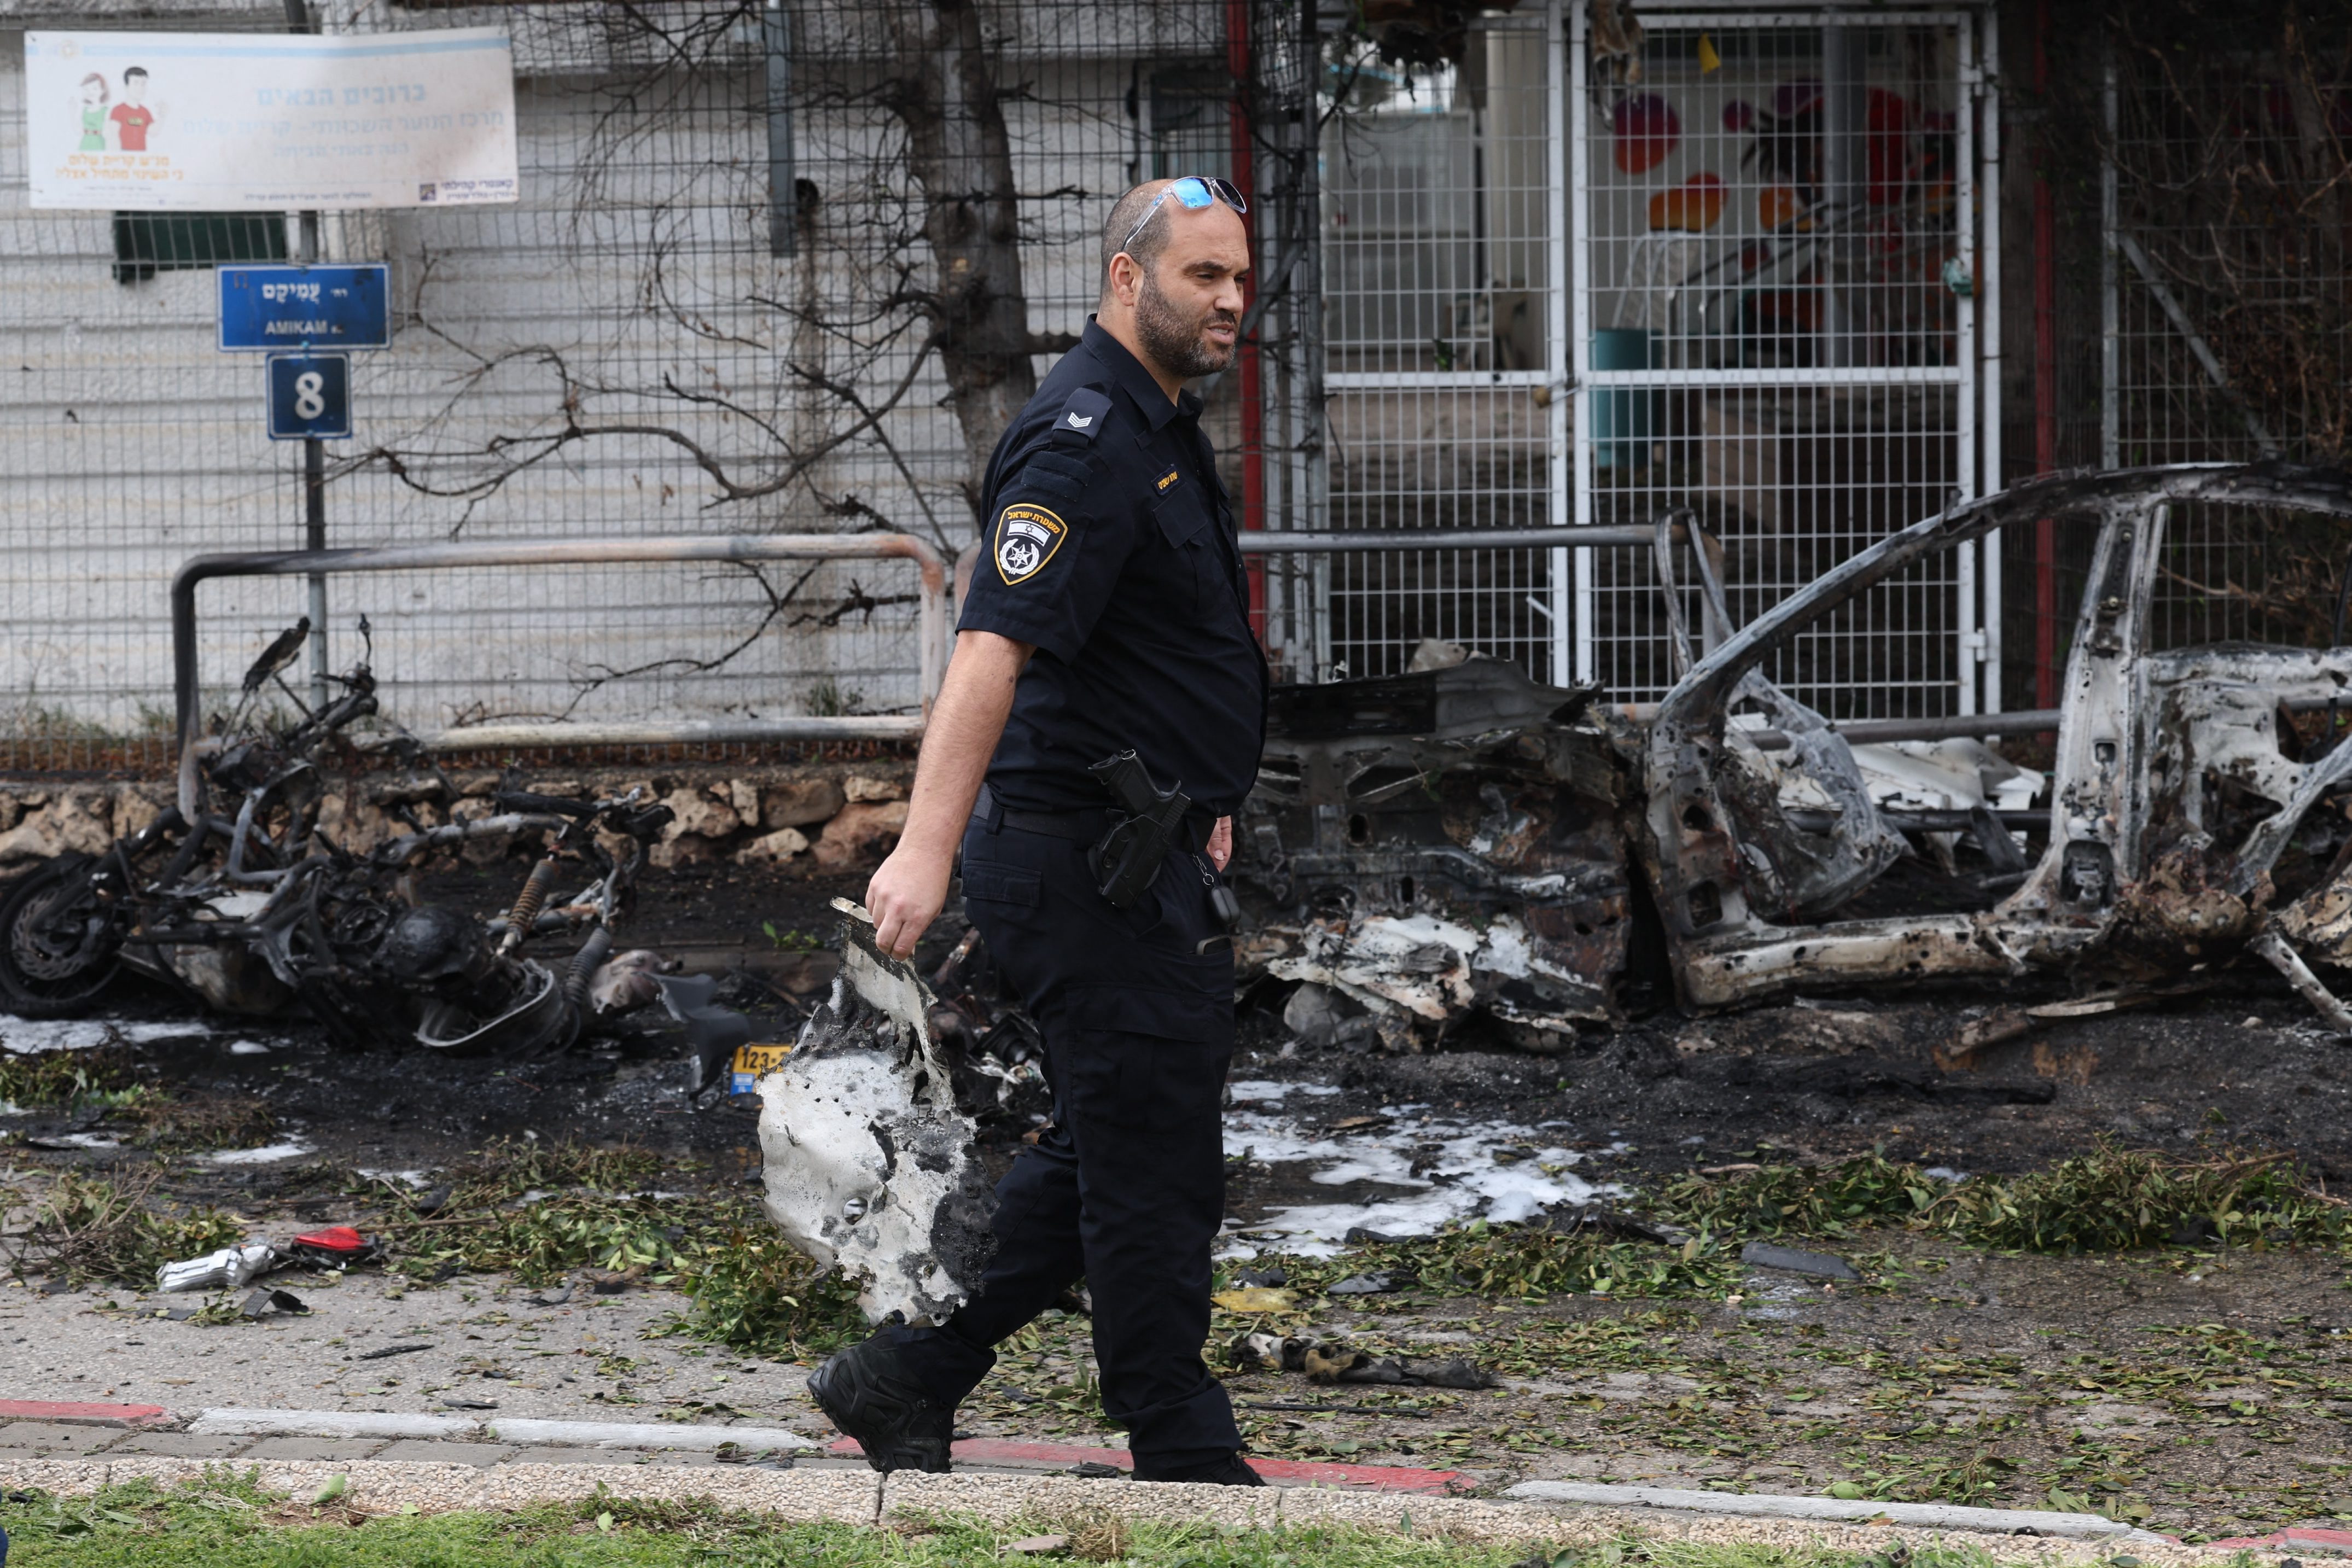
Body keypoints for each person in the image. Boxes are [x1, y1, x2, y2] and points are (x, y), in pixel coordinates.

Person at [808, 176, 1268, 1487]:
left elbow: (1141, 658)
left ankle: (903, 1374)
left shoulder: (1155, 426)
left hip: (1139, 845)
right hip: (1080, 858)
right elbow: (989, 651)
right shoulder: (1082, 441)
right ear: (1128, 278)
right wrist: (923, 846)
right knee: (1152, 1157)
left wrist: (1202, 804)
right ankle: (1179, 1443)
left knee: (1109, 1140)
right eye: (1203, 275)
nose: (1231, 300)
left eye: (1240, 276)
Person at [110, 68, 156, 153]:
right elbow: (113, 135)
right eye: (136, 83)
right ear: (126, 86)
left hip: (142, 155)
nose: (140, 88)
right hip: (124, 153)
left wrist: (162, 116)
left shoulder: (145, 112)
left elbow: (153, 132)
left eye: (143, 84)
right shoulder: (118, 110)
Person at [75, 73, 107, 153]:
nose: (90, 92)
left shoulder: (106, 110)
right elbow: (78, 130)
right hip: (85, 143)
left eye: (94, 88)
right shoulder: (84, 110)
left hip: (99, 143)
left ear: (102, 90)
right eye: (87, 89)